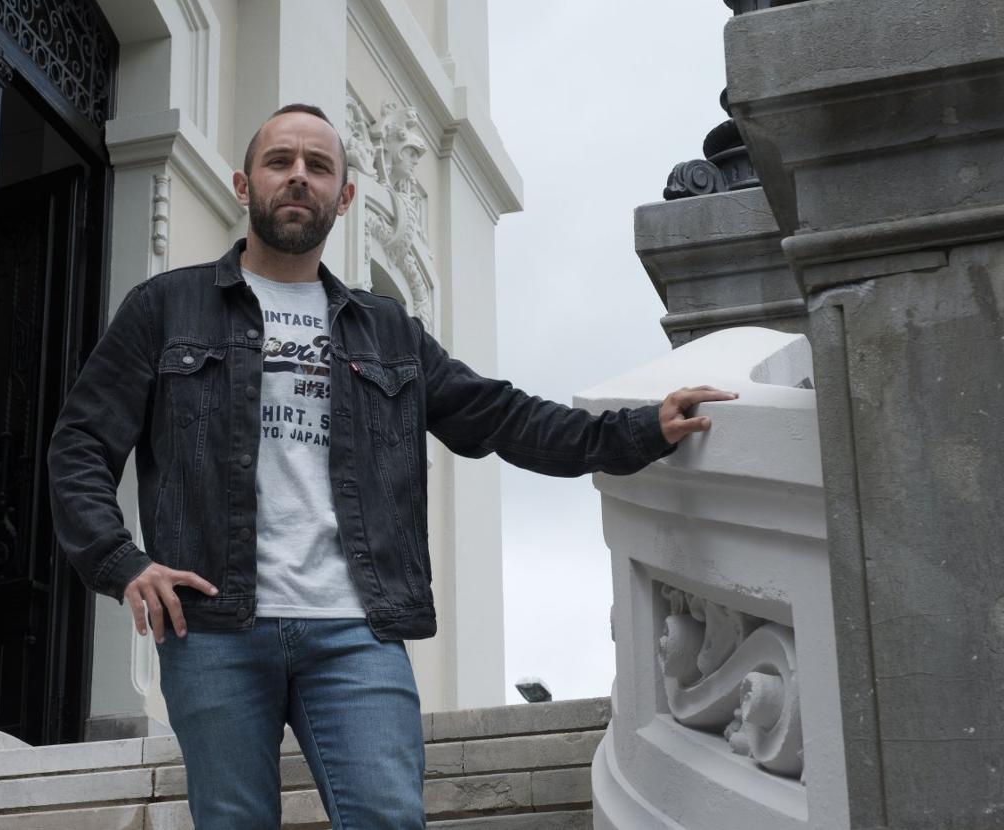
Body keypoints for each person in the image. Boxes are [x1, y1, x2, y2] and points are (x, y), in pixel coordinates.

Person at [46, 102, 736, 828]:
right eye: (280, 162)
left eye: (318, 167)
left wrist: (637, 431)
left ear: (344, 198)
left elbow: (501, 416)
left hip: (356, 629)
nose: (298, 179)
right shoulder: (167, 307)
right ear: (243, 184)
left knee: (386, 815)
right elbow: (81, 443)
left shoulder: (388, 331)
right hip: (215, 623)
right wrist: (123, 562)